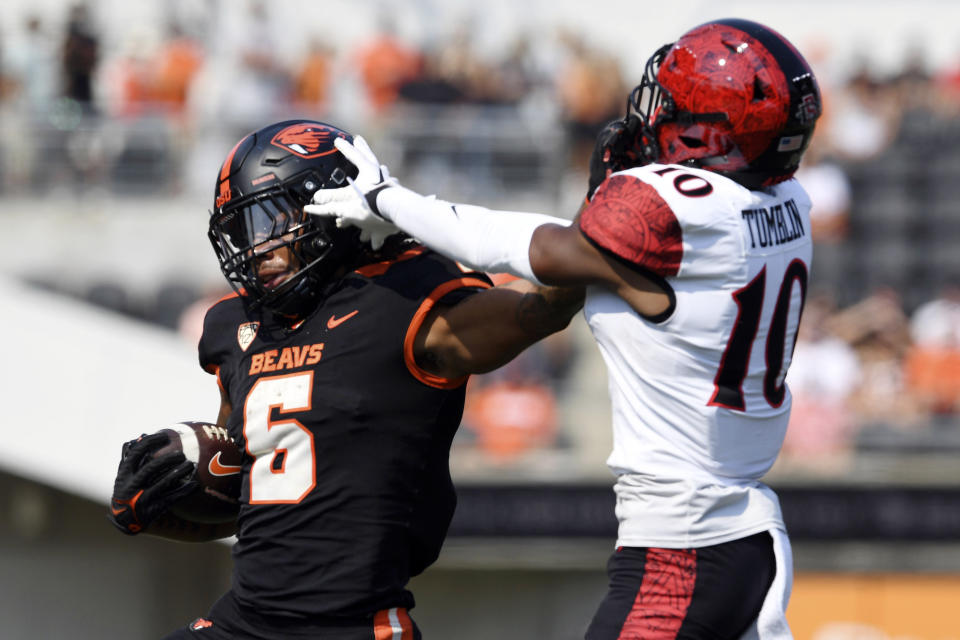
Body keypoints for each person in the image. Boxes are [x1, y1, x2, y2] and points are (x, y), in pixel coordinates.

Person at [310, 18, 822, 639]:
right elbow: (596, 256)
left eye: (676, 104)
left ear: (710, 132)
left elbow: (533, 250)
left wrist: (390, 199)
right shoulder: (788, 201)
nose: (657, 111)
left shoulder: (675, 207)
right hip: (745, 532)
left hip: (682, 545)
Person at [107, 119, 583, 639]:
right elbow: (256, 497)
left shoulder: (405, 299)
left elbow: (547, 303)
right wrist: (168, 491)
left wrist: (407, 209)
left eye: (272, 221)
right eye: (245, 229)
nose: (255, 246)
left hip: (353, 625)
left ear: (330, 207)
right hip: (243, 621)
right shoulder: (237, 326)